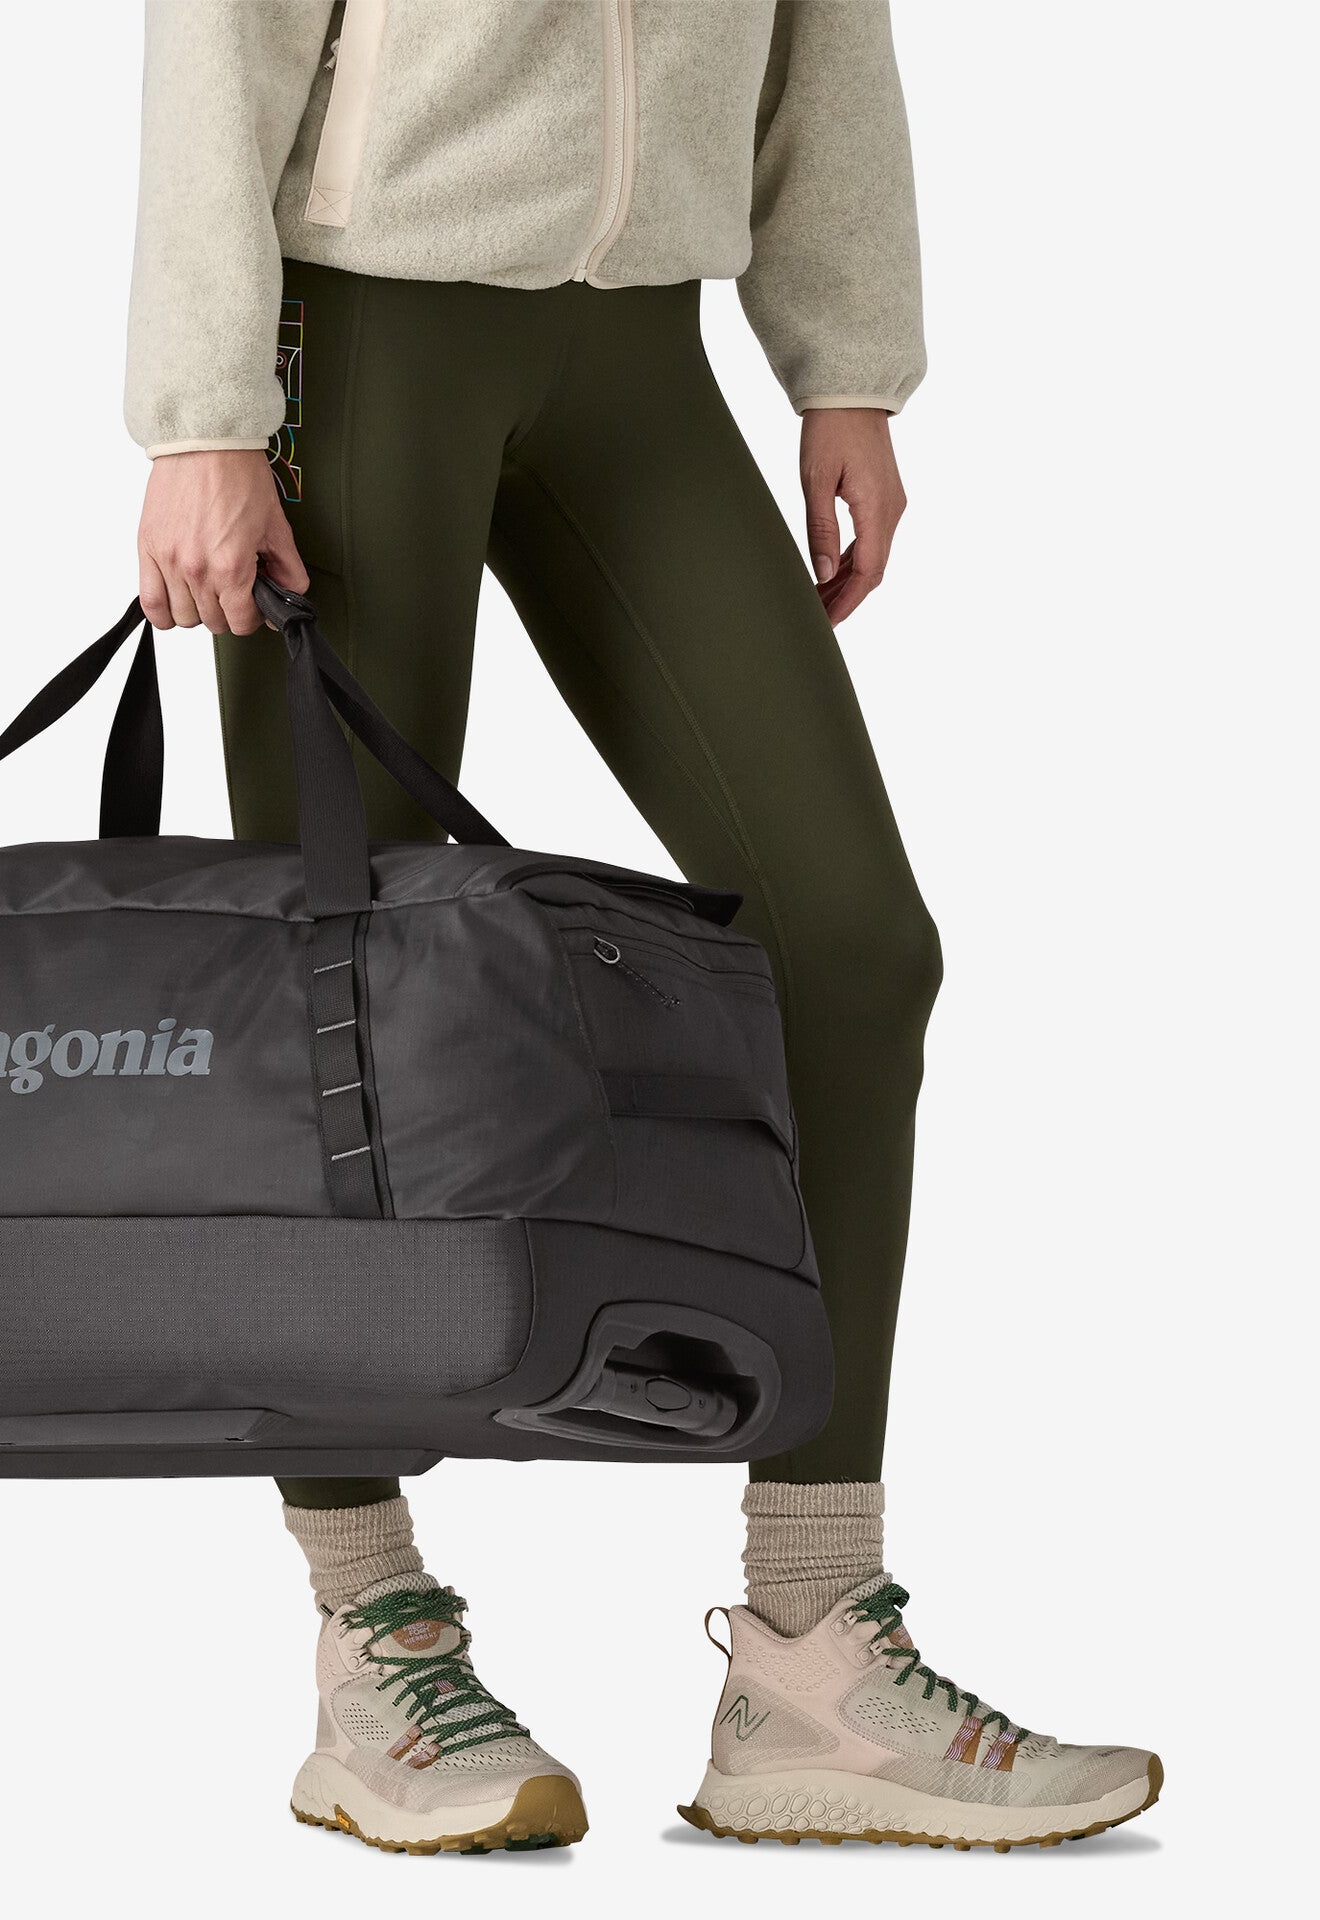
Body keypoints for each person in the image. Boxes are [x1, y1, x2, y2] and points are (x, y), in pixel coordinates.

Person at [125, 2, 1158, 1855]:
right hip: (364, 321)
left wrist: (849, 362)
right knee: (343, 991)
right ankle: (373, 1637)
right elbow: (223, 32)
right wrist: (203, 413)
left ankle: (811, 1655)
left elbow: (825, 27)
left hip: (641, 350)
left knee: (850, 949)